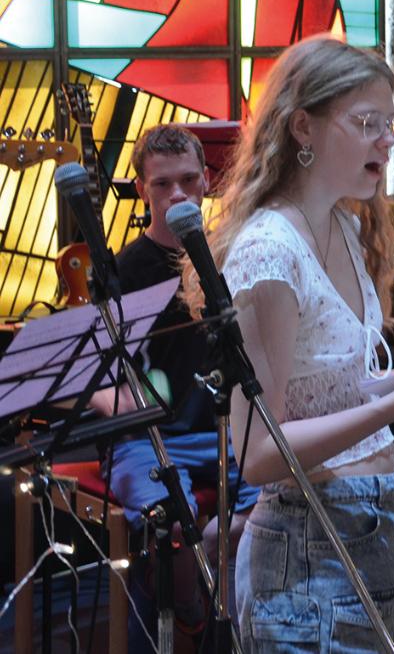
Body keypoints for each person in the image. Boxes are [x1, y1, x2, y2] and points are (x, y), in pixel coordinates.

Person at [198, 35, 394, 652]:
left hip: (387, 522)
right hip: (309, 546)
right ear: (302, 128)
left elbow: (337, 393)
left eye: (388, 123)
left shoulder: (344, 225)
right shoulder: (269, 252)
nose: (387, 140)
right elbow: (260, 452)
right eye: (367, 123)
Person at [93, 124, 259, 645]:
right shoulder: (120, 271)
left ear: (207, 182)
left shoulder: (230, 255)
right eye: (163, 184)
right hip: (147, 437)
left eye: (188, 180)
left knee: (284, 492)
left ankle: (215, 562)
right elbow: (94, 382)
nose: (178, 194)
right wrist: (123, 401)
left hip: (226, 428)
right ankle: (192, 612)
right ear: (142, 189)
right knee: (172, 522)